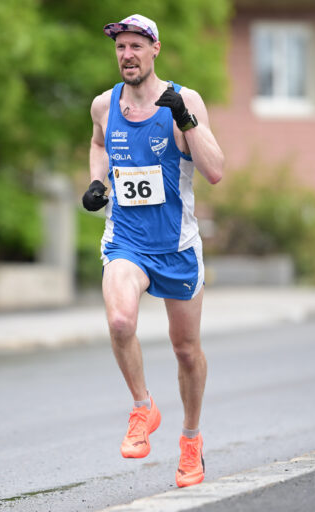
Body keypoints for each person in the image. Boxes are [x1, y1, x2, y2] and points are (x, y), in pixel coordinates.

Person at [82, 14, 224, 488]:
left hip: (176, 246)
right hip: (126, 240)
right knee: (121, 321)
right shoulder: (104, 105)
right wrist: (97, 181)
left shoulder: (184, 100)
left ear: (155, 50)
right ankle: (143, 407)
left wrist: (186, 119)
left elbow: (215, 171)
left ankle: (191, 439)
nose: (127, 55)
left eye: (136, 47)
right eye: (120, 47)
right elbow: (98, 144)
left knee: (186, 351)